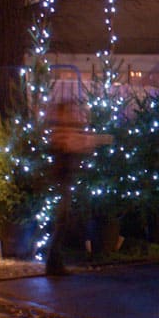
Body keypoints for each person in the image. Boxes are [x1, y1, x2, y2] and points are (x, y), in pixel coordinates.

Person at [46, 99, 111, 276]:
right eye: (69, 111)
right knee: (61, 221)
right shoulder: (62, 132)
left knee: (62, 221)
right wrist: (102, 139)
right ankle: (53, 263)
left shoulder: (62, 130)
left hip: (65, 181)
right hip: (63, 182)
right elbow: (77, 143)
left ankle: (55, 262)